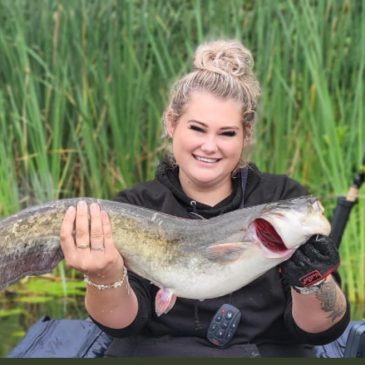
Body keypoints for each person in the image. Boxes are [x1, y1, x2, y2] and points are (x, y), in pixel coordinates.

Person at [59, 39, 350, 357]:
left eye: (227, 133)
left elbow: (325, 328)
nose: (210, 146)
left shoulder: (282, 196)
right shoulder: (135, 206)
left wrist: (312, 282)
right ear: (172, 124)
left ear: (246, 135)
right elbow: (121, 323)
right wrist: (104, 276)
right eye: (198, 129)